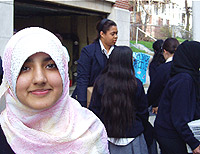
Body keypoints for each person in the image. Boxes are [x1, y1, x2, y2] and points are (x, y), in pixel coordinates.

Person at [0, 27, 109, 154]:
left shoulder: (90, 129)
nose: (39, 79)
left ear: (63, 71)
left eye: (50, 65)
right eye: (24, 68)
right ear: (10, 76)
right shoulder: (4, 132)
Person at [89, 46, 149, 154]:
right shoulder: (137, 84)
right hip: (133, 136)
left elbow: (94, 111)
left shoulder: (100, 82)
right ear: (128, 62)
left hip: (106, 137)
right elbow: (143, 112)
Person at [154, 40, 200, 154]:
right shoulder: (184, 80)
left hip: (170, 132)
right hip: (171, 135)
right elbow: (179, 118)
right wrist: (194, 143)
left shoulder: (185, 75)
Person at [72, 18, 118, 107]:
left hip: (111, 100)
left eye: (116, 33)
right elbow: (83, 78)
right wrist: (83, 103)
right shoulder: (88, 51)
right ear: (102, 34)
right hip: (92, 97)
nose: (115, 36)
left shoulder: (118, 51)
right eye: (112, 34)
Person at [147, 38, 179, 114]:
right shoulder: (185, 66)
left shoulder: (163, 69)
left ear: (164, 51)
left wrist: (152, 103)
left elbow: (155, 89)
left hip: (164, 107)